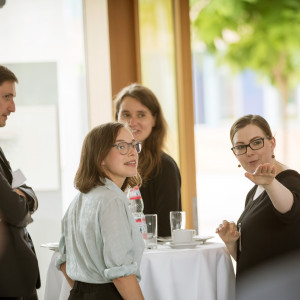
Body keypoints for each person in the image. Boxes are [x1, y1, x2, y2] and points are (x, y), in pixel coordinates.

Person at [56, 122, 145, 300]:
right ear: (100, 158)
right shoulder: (112, 200)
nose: (132, 151)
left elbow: (64, 262)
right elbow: (122, 274)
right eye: (121, 146)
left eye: (134, 145)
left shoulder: (79, 199)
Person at [216, 114, 300, 297]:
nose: (248, 152)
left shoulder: (290, 181)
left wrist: (270, 184)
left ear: (272, 143)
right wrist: (231, 243)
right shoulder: (253, 193)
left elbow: (290, 210)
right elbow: (250, 256)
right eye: (240, 147)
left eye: (256, 142)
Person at [114, 83, 182, 237]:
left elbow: (166, 231)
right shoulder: (107, 164)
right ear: (116, 117)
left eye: (141, 115)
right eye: (126, 114)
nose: (132, 122)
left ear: (154, 120)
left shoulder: (165, 167)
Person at [0, 65, 40, 299]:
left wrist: (21, 197)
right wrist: (17, 201)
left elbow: (24, 190)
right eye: (6, 97)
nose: (12, 108)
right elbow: (15, 211)